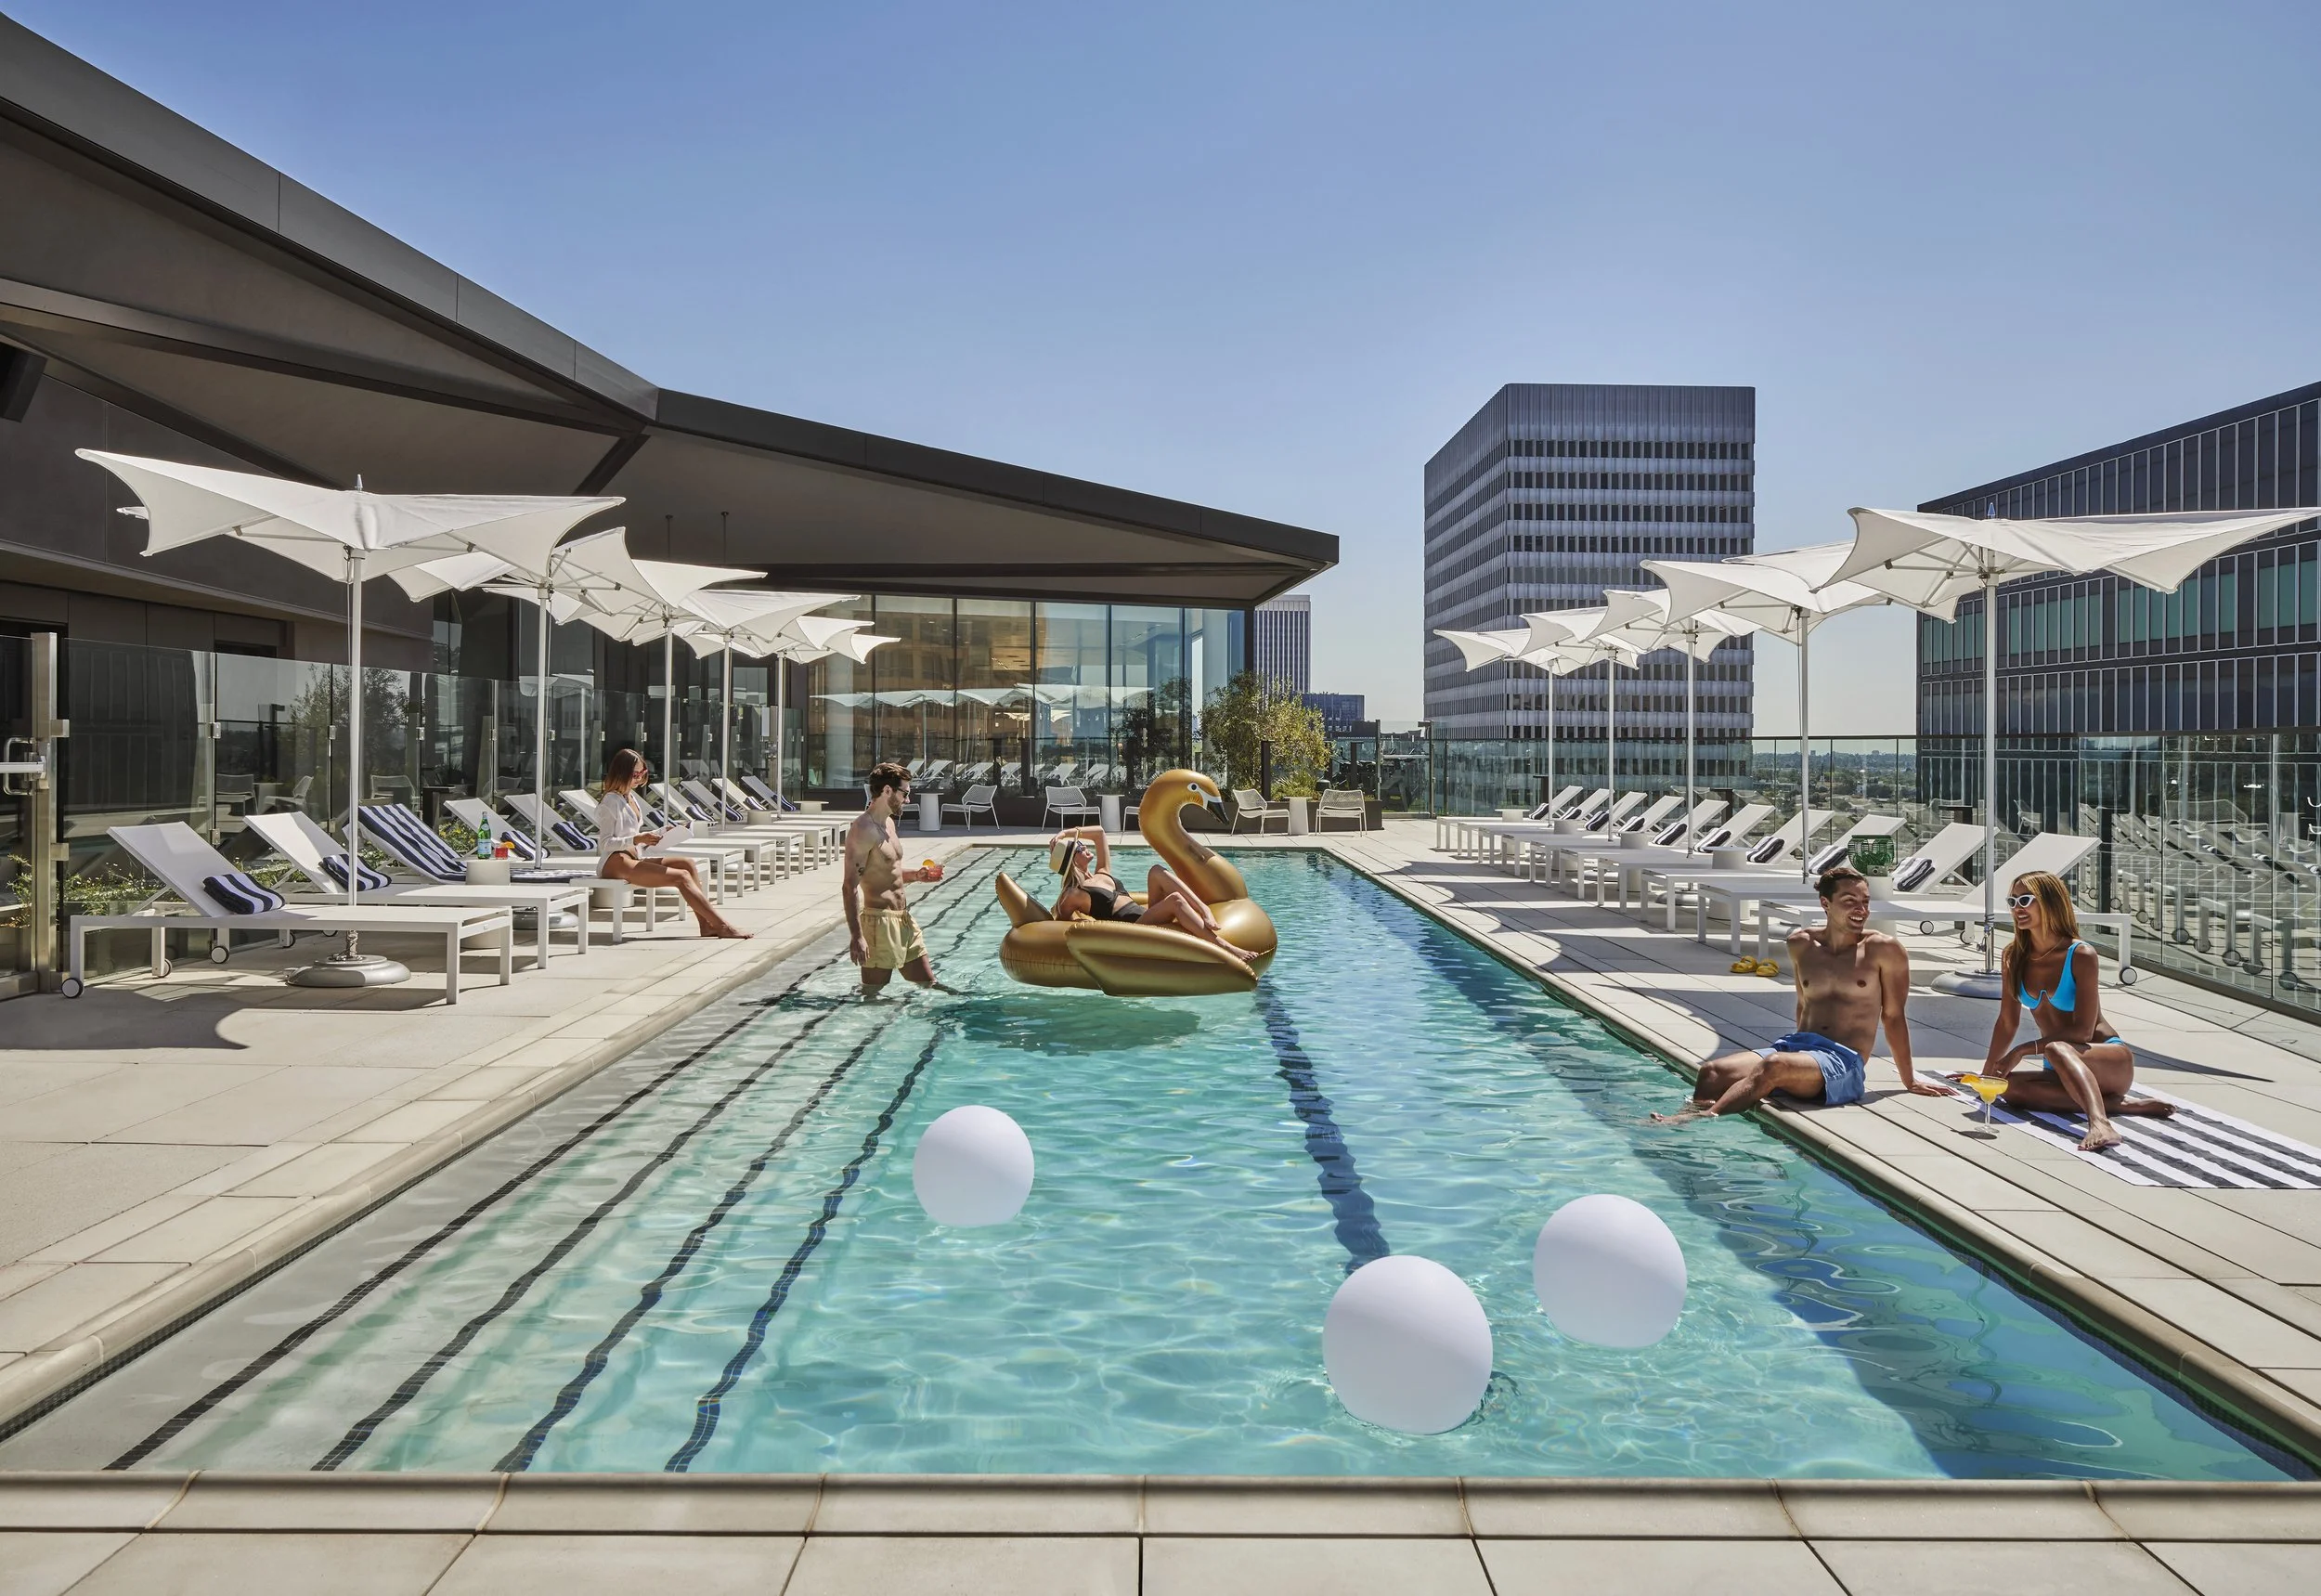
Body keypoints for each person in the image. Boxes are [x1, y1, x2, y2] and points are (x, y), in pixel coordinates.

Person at [1656, 864, 1945, 1122]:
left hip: (1843, 1062)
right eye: (1850, 901)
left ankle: (1701, 1119)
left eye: (1865, 902)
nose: (1862, 910)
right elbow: (1803, 1005)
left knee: (1773, 1066)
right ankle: (1691, 1121)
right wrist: (1795, 1063)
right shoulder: (1801, 944)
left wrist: (1909, 1080)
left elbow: (1893, 1016)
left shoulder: (1884, 950)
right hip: (1795, 1049)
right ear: (1825, 904)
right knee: (1712, 1072)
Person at [1971, 870, 2172, 1151]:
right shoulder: (2012, 956)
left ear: (2051, 902)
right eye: (2013, 901)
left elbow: (2083, 1032)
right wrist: (1988, 1074)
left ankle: (2100, 1122)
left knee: (2058, 1048)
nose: (2018, 908)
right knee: (2010, 1089)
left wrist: (2020, 1051)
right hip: (2060, 1062)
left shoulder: (2080, 955)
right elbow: (2007, 1022)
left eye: (2026, 900)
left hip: (2103, 1057)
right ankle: (2116, 1104)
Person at [1046, 823, 1257, 965]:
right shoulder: (1075, 893)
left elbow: (1100, 833)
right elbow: (1062, 922)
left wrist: (1066, 833)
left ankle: (1202, 908)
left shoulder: (1102, 872)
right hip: (1132, 928)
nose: (1085, 846)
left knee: (1156, 870)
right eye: (1079, 847)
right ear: (1073, 860)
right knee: (1174, 900)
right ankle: (1224, 946)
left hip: (1143, 914)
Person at [593, 748, 747, 939]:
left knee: (686, 864)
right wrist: (636, 839)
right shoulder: (610, 802)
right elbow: (605, 844)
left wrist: (662, 832)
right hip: (614, 862)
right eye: (635, 774)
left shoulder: (631, 797)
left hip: (633, 856)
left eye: (643, 773)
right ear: (622, 772)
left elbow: (632, 833)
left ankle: (706, 925)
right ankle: (722, 926)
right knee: (681, 876)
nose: (640, 778)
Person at [845, 761, 945, 994]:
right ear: (888, 790)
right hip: (878, 924)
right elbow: (849, 887)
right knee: (872, 995)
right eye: (905, 793)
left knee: (929, 985)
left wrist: (917, 876)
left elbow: (886, 870)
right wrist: (857, 936)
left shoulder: (888, 823)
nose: (908, 800)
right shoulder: (862, 830)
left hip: (904, 920)